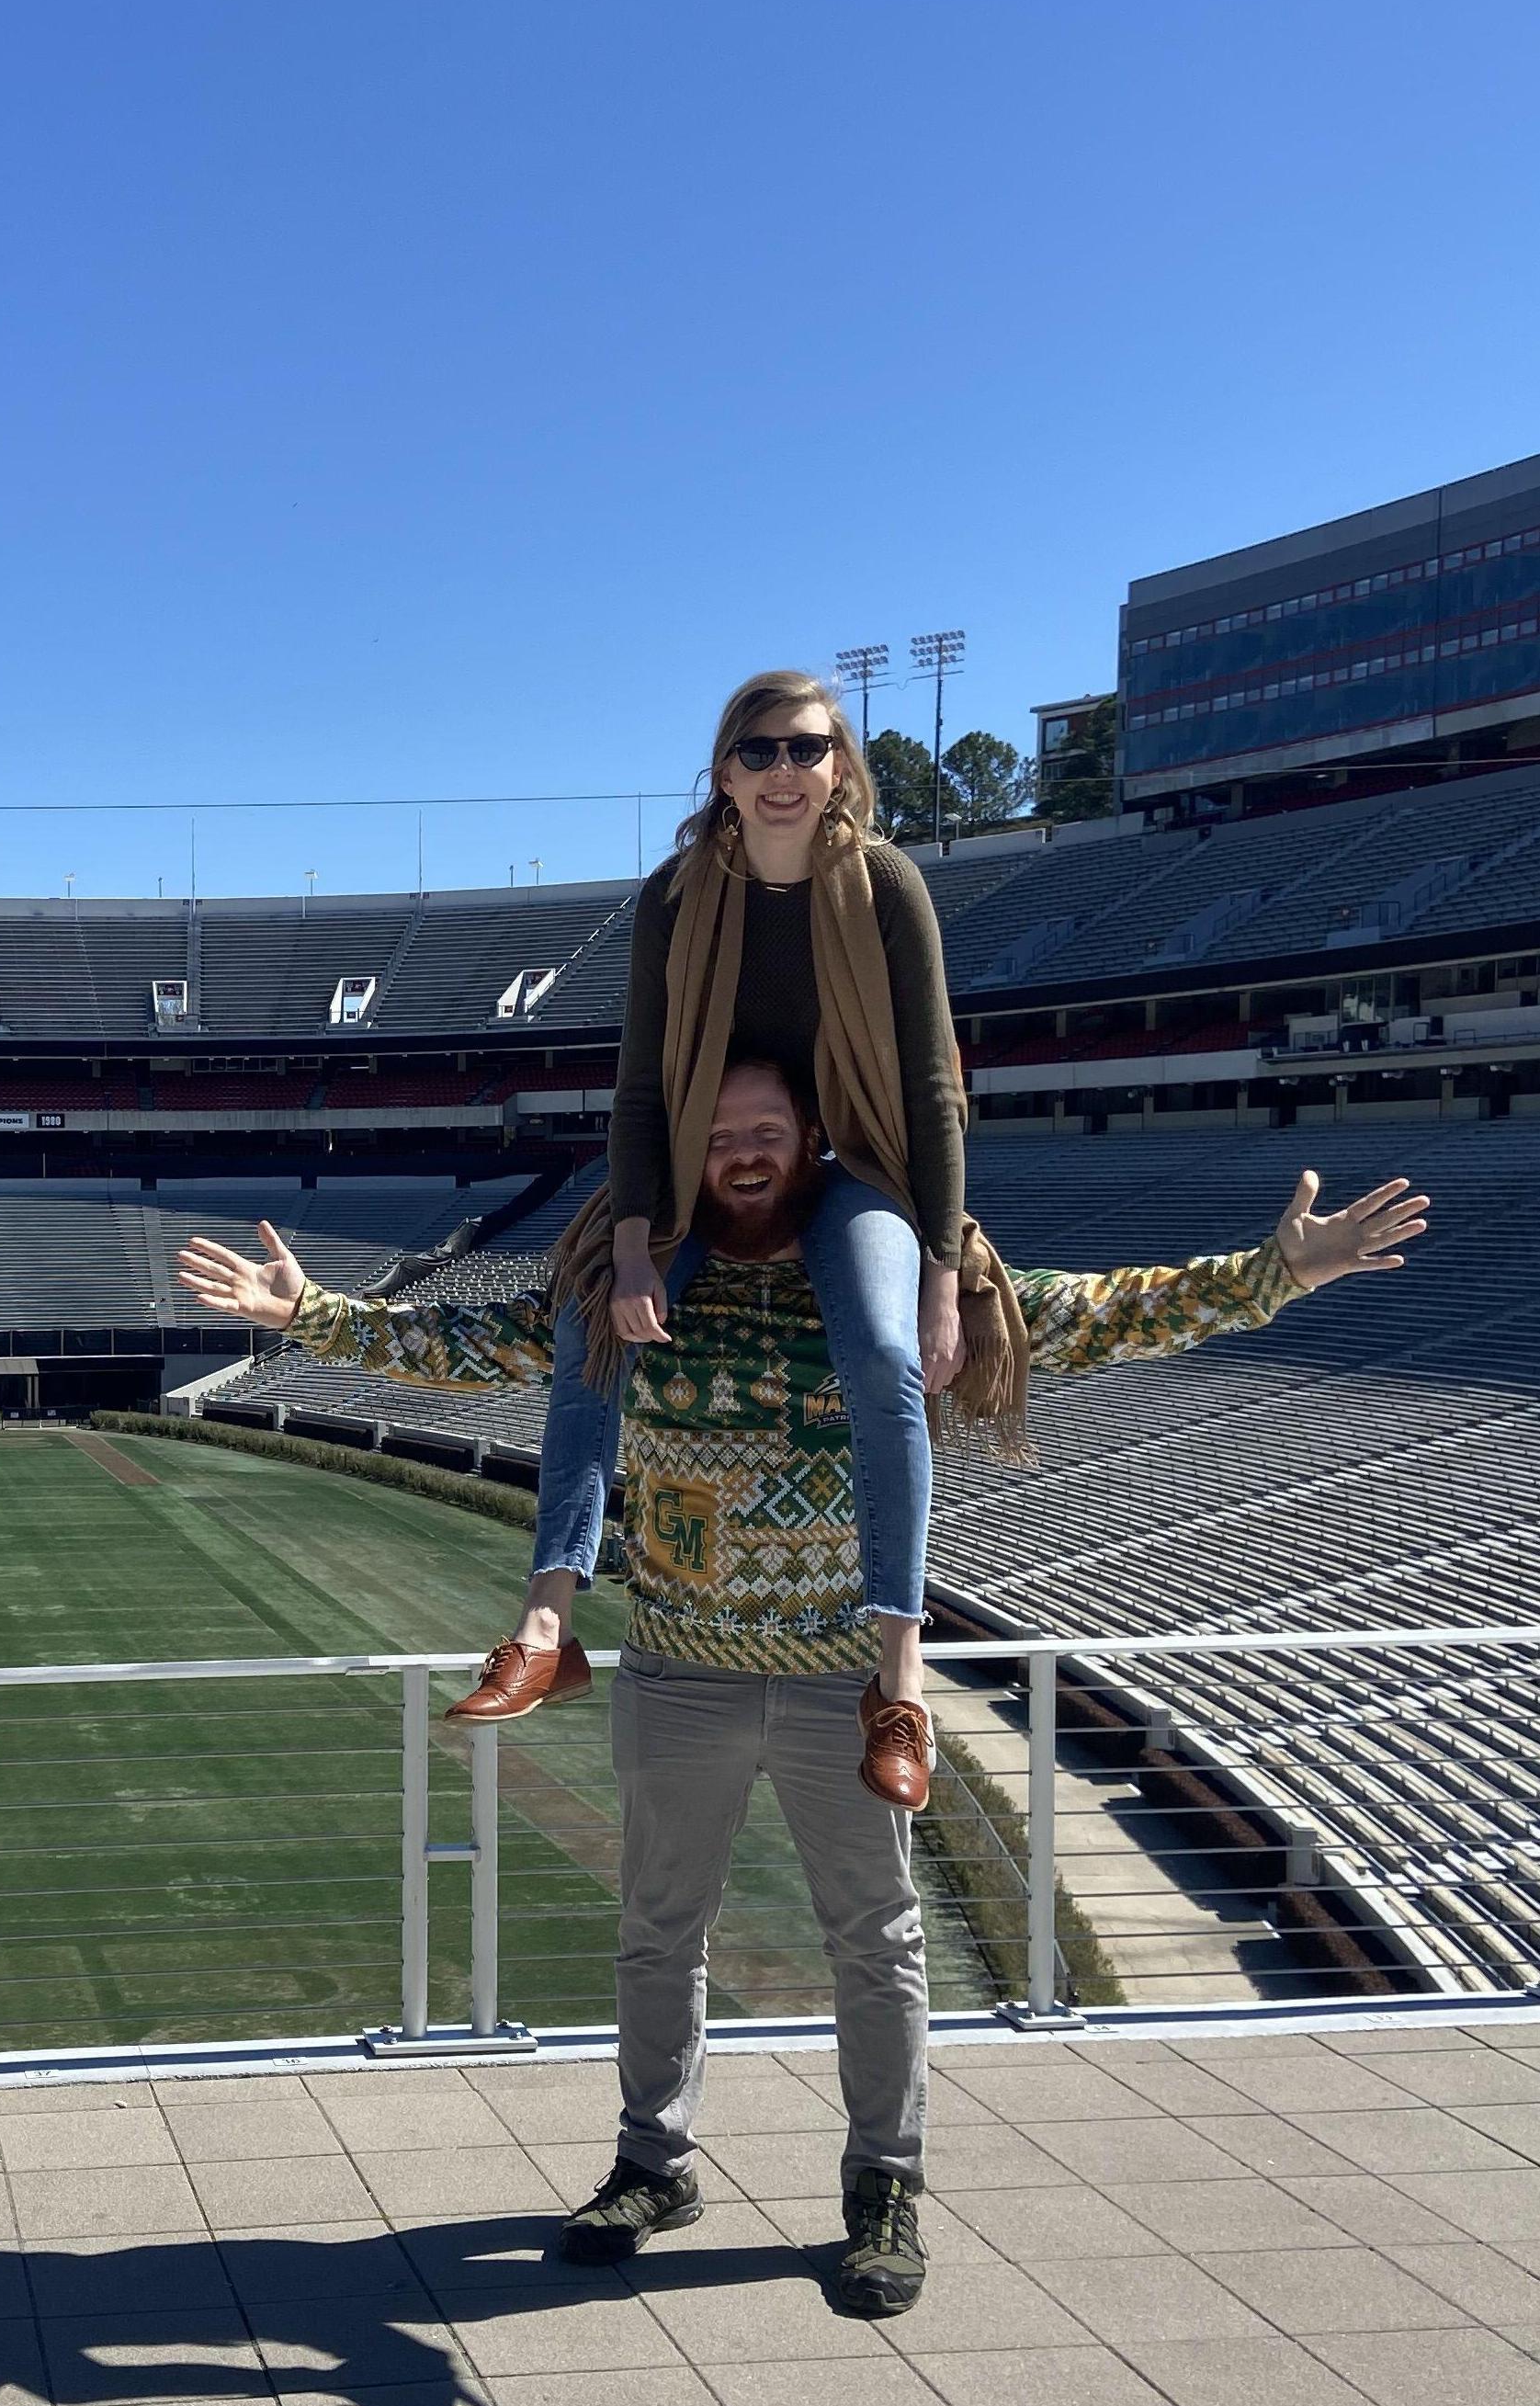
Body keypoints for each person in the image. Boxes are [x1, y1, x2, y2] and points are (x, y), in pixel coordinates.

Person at [175, 1059, 1425, 2315]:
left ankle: (884, 2185)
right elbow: (463, 1341)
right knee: (659, 1935)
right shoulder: (638, 1282)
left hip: (842, 1679)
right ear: (689, 1152)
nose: (743, 1151)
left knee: (874, 1943)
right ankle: (652, 2162)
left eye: (765, 1128)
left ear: (811, 1139)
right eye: (719, 1135)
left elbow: (1089, 1312)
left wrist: (1280, 1271)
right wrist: (311, 1317)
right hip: (678, 1667)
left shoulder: (882, 1286)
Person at [453, 674, 996, 1820]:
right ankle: (547, 1623)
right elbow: (644, 1083)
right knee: (589, 1321)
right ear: (724, 773)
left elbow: (931, 1090)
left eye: (807, 748)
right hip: (708, 1156)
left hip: (854, 1160)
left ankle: (897, 1676)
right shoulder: (675, 895)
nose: (784, 770)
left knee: (887, 1358)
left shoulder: (885, 885)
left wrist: (942, 1274)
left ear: (838, 766)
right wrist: (640, 1241)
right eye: (759, 751)